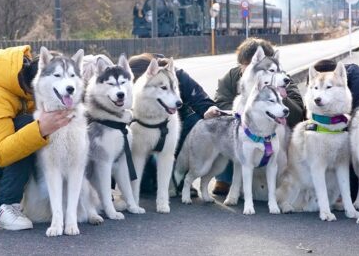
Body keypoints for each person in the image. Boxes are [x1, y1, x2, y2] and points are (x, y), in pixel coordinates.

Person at [0, 46, 73, 230]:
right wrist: (39, 129)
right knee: (29, 125)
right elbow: (0, 154)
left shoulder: (24, 85)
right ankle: (5, 206)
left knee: (35, 126)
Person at [212, 38, 306, 195]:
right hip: (243, 133)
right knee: (219, 129)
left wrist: (280, 97)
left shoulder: (280, 78)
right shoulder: (231, 77)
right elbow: (221, 102)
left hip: (273, 138)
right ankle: (225, 177)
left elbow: (297, 114)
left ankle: (283, 182)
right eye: (247, 66)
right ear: (241, 65)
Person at [127, 53, 218, 193]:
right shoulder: (128, 86)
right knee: (147, 187)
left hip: (176, 130)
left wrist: (209, 109)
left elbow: (200, 98)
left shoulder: (177, 75)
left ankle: (180, 177)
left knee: (197, 123)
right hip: (142, 135)